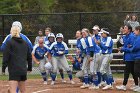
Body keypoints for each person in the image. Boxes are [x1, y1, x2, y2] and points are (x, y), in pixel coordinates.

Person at [2, 25, 32, 93]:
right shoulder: (25, 43)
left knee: (13, 90)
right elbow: (29, 57)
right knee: (23, 91)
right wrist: (29, 68)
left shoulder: (9, 42)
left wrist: (3, 68)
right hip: (23, 70)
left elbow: (6, 56)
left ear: (11, 32)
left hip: (13, 70)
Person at [116, 25, 138, 91]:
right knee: (133, 72)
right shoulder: (125, 37)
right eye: (123, 28)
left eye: (125, 28)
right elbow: (124, 45)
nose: (123, 29)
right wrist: (122, 48)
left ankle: (124, 85)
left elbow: (131, 48)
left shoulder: (132, 36)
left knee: (126, 71)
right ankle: (136, 85)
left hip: (131, 57)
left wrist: (123, 48)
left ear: (129, 30)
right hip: (127, 56)